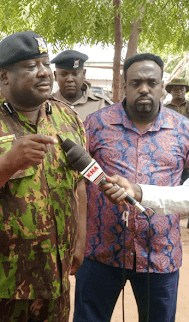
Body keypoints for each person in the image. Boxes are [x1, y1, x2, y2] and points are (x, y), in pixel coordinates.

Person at [0, 31, 87, 322]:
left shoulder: (67, 117)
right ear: (4, 76)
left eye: (44, 63)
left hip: (53, 282)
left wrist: (79, 239)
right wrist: (9, 162)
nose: (43, 72)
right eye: (29, 66)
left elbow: (79, 184)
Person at [74, 53, 189, 322]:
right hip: (100, 251)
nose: (144, 89)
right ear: (125, 85)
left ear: (162, 86)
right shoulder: (96, 124)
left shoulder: (183, 129)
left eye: (152, 82)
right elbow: (76, 181)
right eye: (136, 82)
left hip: (160, 254)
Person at [51, 49, 112, 121]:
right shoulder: (45, 105)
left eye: (75, 74)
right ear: (55, 75)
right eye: (64, 74)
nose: (70, 79)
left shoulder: (102, 105)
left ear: (83, 74)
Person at [99, 175, 189, 216]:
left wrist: (138, 192)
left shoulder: (184, 137)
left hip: (162, 246)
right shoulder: (92, 137)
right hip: (103, 245)